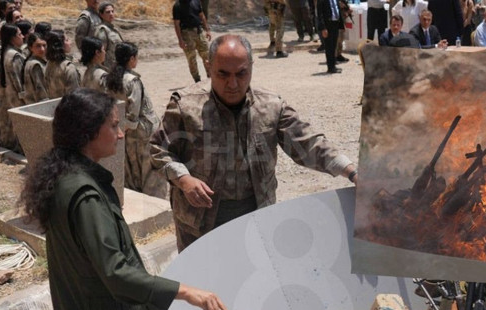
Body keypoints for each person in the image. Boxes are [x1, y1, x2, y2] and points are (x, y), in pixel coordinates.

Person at [20, 88, 229, 310]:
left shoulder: (64, 179)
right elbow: (114, 272)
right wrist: (186, 292)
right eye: (113, 126)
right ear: (88, 132)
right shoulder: (86, 196)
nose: (120, 134)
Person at [149, 35, 358, 252]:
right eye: (223, 74)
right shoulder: (185, 106)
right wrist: (184, 179)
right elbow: (158, 149)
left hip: (257, 222)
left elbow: (308, 143)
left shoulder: (271, 106)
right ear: (209, 67)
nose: (232, 84)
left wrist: (352, 173)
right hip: (199, 227)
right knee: (201, 275)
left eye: (241, 73)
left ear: (251, 67)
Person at [105, 42, 168, 199]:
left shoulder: (111, 79)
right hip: (142, 131)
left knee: (132, 169)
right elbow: (134, 113)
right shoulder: (132, 81)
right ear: (132, 59)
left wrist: (119, 130)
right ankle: (154, 202)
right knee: (150, 169)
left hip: (125, 132)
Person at [0, 23, 25, 150]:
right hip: (18, 98)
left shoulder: (7, 52)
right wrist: (24, 98)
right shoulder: (14, 56)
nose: (23, 36)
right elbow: (19, 82)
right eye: (19, 34)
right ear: (13, 38)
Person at [172, 0, 211, 83]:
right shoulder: (177, 5)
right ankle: (197, 80)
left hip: (199, 31)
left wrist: (207, 30)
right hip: (186, 34)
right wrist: (180, 40)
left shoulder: (196, 1)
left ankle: (210, 77)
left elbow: (202, 16)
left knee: (207, 55)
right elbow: (176, 24)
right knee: (191, 58)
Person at [44, 30, 80, 98]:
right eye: (66, 40)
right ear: (60, 45)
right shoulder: (68, 67)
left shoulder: (49, 63)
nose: (70, 42)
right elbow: (74, 95)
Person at [316, 0, 343, 73]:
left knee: (334, 46)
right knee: (329, 47)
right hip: (327, 25)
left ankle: (333, 65)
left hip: (335, 23)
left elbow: (337, 8)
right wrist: (323, 28)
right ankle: (330, 67)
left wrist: (341, 24)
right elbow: (320, 14)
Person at [22, 32, 48, 103]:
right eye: (38, 46)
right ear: (31, 48)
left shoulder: (32, 61)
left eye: (44, 45)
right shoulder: (36, 65)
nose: (42, 49)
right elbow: (41, 91)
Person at [94, 2, 121, 69]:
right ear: (101, 15)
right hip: (109, 68)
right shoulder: (102, 30)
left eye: (112, 11)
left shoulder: (113, 29)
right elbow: (101, 52)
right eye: (108, 12)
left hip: (117, 66)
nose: (111, 14)